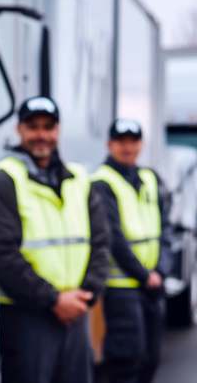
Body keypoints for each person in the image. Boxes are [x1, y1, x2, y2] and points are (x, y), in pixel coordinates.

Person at [0, 96, 110, 383]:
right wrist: (54, 300)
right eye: (33, 127)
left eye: (48, 127)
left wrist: (84, 297)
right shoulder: (1, 181)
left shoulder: (79, 179)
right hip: (27, 317)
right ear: (19, 130)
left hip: (76, 313)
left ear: (58, 130)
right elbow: (1, 254)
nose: (41, 135)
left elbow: (100, 243)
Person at [92, 119, 172, 383]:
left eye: (133, 141)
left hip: (151, 284)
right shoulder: (103, 182)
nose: (127, 147)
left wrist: (160, 269)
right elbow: (113, 237)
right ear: (109, 144)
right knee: (125, 361)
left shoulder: (149, 178)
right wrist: (144, 275)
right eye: (121, 141)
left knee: (151, 359)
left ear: (141, 144)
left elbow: (165, 229)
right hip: (122, 287)